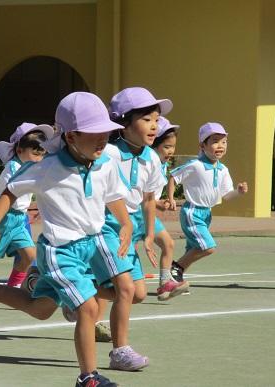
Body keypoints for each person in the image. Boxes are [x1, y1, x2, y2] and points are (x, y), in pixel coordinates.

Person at [0, 92, 132, 387]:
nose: (103, 139)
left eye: (107, 132)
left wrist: (125, 223)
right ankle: (89, 377)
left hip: (92, 245)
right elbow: (10, 191)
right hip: (60, 251)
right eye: (96, 133)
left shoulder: (105, 163)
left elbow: (114, 196)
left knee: (41, 309)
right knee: (87, 308)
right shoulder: (47, 168)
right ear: (72, 136)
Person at [88, 86, 170, 370]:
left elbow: (149, 200)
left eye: (157, 120)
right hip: (105, 226)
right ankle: (120, 352)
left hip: (130, 228)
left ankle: (83, 290)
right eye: (147, 119)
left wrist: (148, 235)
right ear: (124, 122)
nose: (154, 125)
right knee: (124, 288)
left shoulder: (152, 159)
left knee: (138, 293)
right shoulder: (107, 153)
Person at [0, 122, 53, 292]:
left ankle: (14, 285)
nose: (39, 158)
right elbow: (4, 195)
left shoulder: (32, 169)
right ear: (19, 150)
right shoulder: (12, 168)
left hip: (19, 220)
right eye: (35, 153)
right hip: (3, 218)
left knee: (30, 256)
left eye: (42, 153)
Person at [168, 122, 248, 283]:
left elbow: (226, 196)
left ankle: (174, 281)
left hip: (206, 214)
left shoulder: (223, 170)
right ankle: (175, 267)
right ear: (202, 145)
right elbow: (173, 177)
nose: (221, 146)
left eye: (224, 142)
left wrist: (238, 193)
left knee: (192, 249)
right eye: (215, 141)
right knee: (208, 247)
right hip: (192, 212)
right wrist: (171, 199)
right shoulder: (195, 165)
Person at [150, 116, 190, 300]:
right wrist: (156, 202)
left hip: (148, 214)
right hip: (134, 215)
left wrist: (160, 201)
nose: (171, 151)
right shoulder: (147, 161)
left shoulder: (162, 164)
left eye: (173, 147)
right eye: (166, 146)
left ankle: (165, 283)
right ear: (153, 144)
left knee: (168, 243)